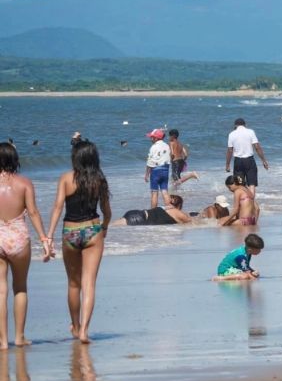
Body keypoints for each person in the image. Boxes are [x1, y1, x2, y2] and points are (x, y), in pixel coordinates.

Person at [47, 139, 112, 343]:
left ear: (76, 157)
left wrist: (48, 235)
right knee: (89, 284)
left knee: (74, 285)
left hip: (71, 232)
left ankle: (75, 327)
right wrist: (105, 227)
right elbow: (107, 212)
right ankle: (84, 330)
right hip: (93, 231)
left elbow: (58, 208)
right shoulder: (99, 180)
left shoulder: (66, 178)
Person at [0, 143, 53, 349]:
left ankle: (3, 341)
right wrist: (44, 240)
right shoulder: (24, 183)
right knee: (20, 287)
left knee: (0, 290)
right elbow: (33, 213)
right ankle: (19, 337)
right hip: (18, 237)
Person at [225, 118, 269, 197]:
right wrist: (264, 160)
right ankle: (251, 203)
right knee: (252, 183)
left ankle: (243, 203)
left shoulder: (231, 134)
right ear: (245, 125)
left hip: (238, 161)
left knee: (239, 184)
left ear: (235, 125)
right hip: (249, 160)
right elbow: (257, 147)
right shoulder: (250, 132)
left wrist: (227, 165)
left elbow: (230, 150)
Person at [113, 194, 191, 226]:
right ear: (179, 205)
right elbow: (191, 222)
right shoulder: (176, 212)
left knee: (108, 227)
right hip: (139, 218)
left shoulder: (164, 208)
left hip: (135, 213)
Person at [144, 128, 171, 209]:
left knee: (154, 192)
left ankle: (153, 212)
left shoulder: (153, 147)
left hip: (155, 172)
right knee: (164, 191)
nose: (150, 138)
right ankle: (170, 210)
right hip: (165, 170)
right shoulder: (167, 145)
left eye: (151, 137)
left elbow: (150, 162)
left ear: (156, 138)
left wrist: (146, 174)